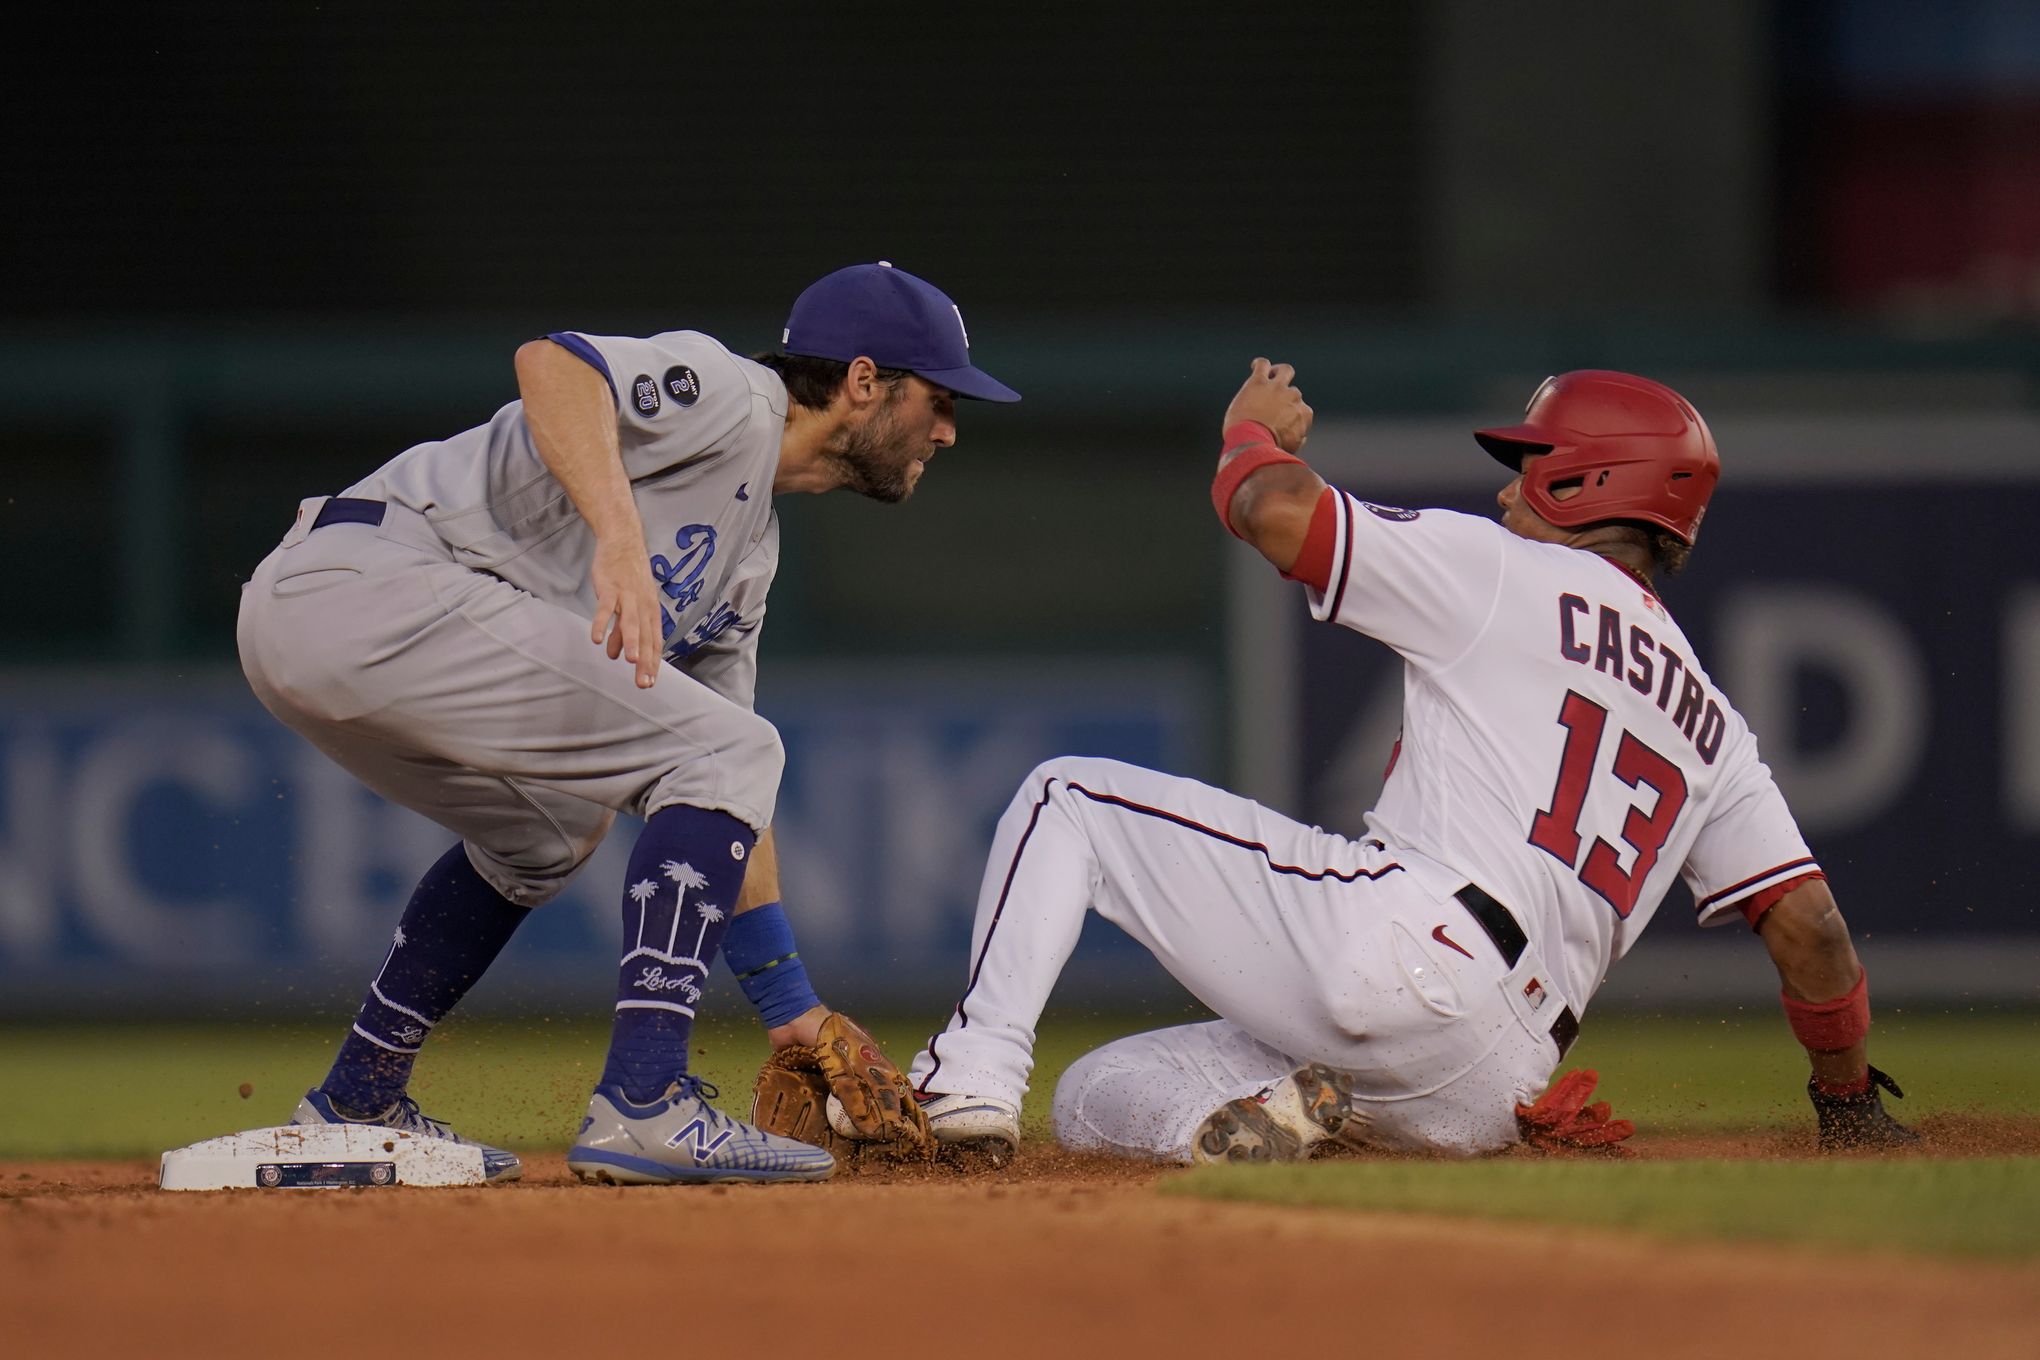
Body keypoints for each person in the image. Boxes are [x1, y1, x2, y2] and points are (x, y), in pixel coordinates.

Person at [905, 361, 1915, 1164]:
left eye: (1533, 464)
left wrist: (1250, 433)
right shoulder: (1712, 724)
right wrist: (1846, 1100)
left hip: (1409, 947)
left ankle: (967, 1080)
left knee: (1069, 797)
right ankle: (1252, 1126)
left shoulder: (1506, 569)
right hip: (1493, 1086)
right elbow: (1812, 931)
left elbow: (1275, 512)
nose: (1508, 486)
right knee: (1096, 1094)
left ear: (1587, 479)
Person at [237, 262, 1018, 1184]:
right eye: (938, 397)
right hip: (362, 580)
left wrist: (790, 1008)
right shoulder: (732, 394)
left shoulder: (748, 561)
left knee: (555, 828)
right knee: (728, 753)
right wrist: (617, 537)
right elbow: (553, 365)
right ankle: (644, 1103)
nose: (949, 428)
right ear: (860, 381)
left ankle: (354, 1102)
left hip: (344, 626)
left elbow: (731, 790)